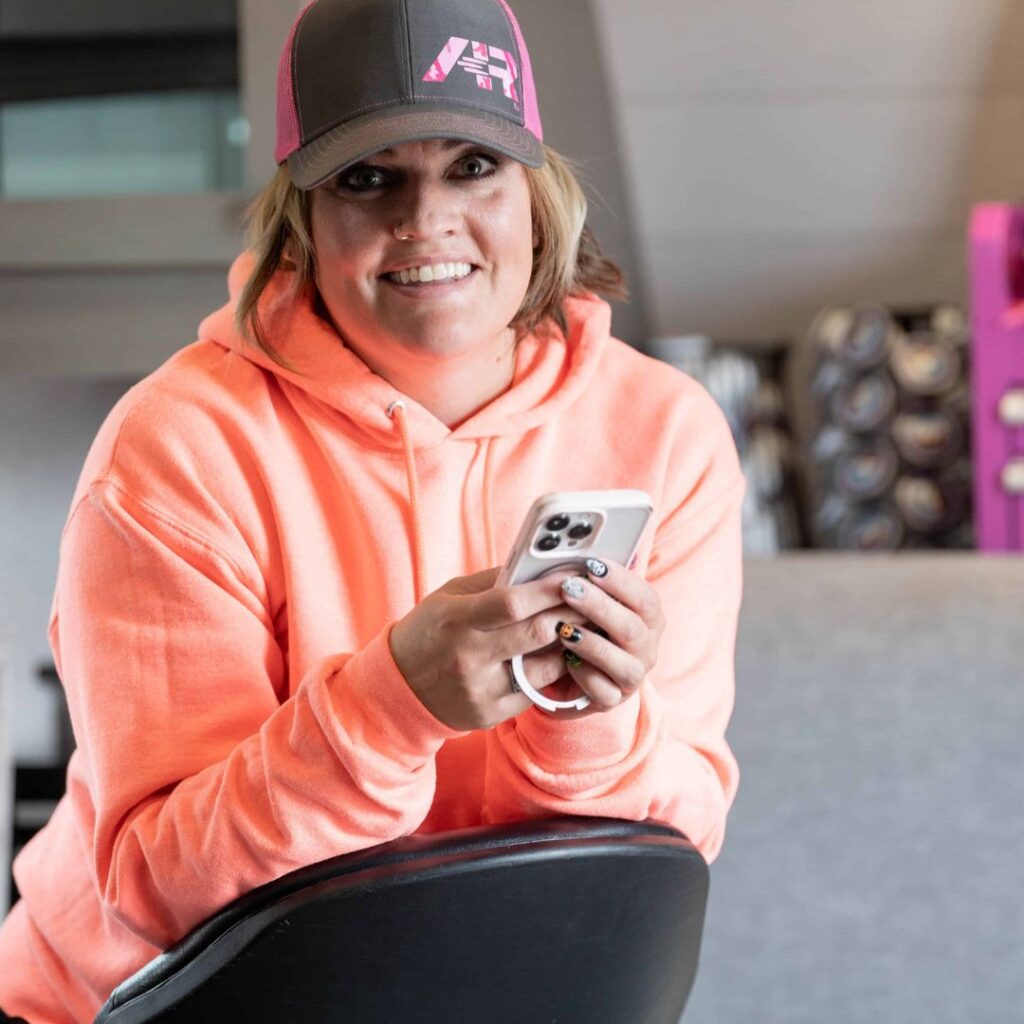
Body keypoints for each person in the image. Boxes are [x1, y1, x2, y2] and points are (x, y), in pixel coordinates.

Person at [0, 0, 746, 1020]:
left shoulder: (667, 433)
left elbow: (680, 835)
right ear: (303, 219)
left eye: (472, 166)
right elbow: (158, 887)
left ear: (536, 189)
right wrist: (395, 704)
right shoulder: (179, 446)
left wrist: (588, 723)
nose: (425, 218)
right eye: (368, 176)